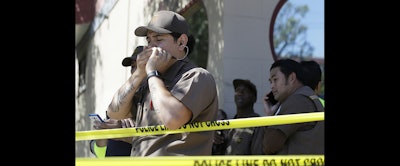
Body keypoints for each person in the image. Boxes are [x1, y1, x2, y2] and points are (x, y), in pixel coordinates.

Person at [105, 10, 219, 156]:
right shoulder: (149, 81)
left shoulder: (197, 76)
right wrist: (139, 73)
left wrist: (151, 72)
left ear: (181, 42)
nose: (150, 47)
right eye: (148, 41)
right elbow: (114, 113)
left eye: (158, 40)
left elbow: (172, 119)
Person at [89, 46, 144, 158]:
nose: (136, 71)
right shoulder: (125, 99)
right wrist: (103, 133)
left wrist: (128, 135)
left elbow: (162, 143)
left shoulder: (160, 97)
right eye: (133, 67)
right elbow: (99, 153)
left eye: (141, 65)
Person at [262, 58, 324, 155]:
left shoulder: (298, 100)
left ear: (291, 78)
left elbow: (269, 145)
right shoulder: (308, 96)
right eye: (271, 82)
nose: (272, 86)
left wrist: (270, 118)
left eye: (275, 79)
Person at [223, 79, 264, 155]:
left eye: (245, 91)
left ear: (254, 98)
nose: (240, 93)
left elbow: (258, 156)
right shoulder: (230, 124)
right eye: (237, 90)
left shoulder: (258, 124)